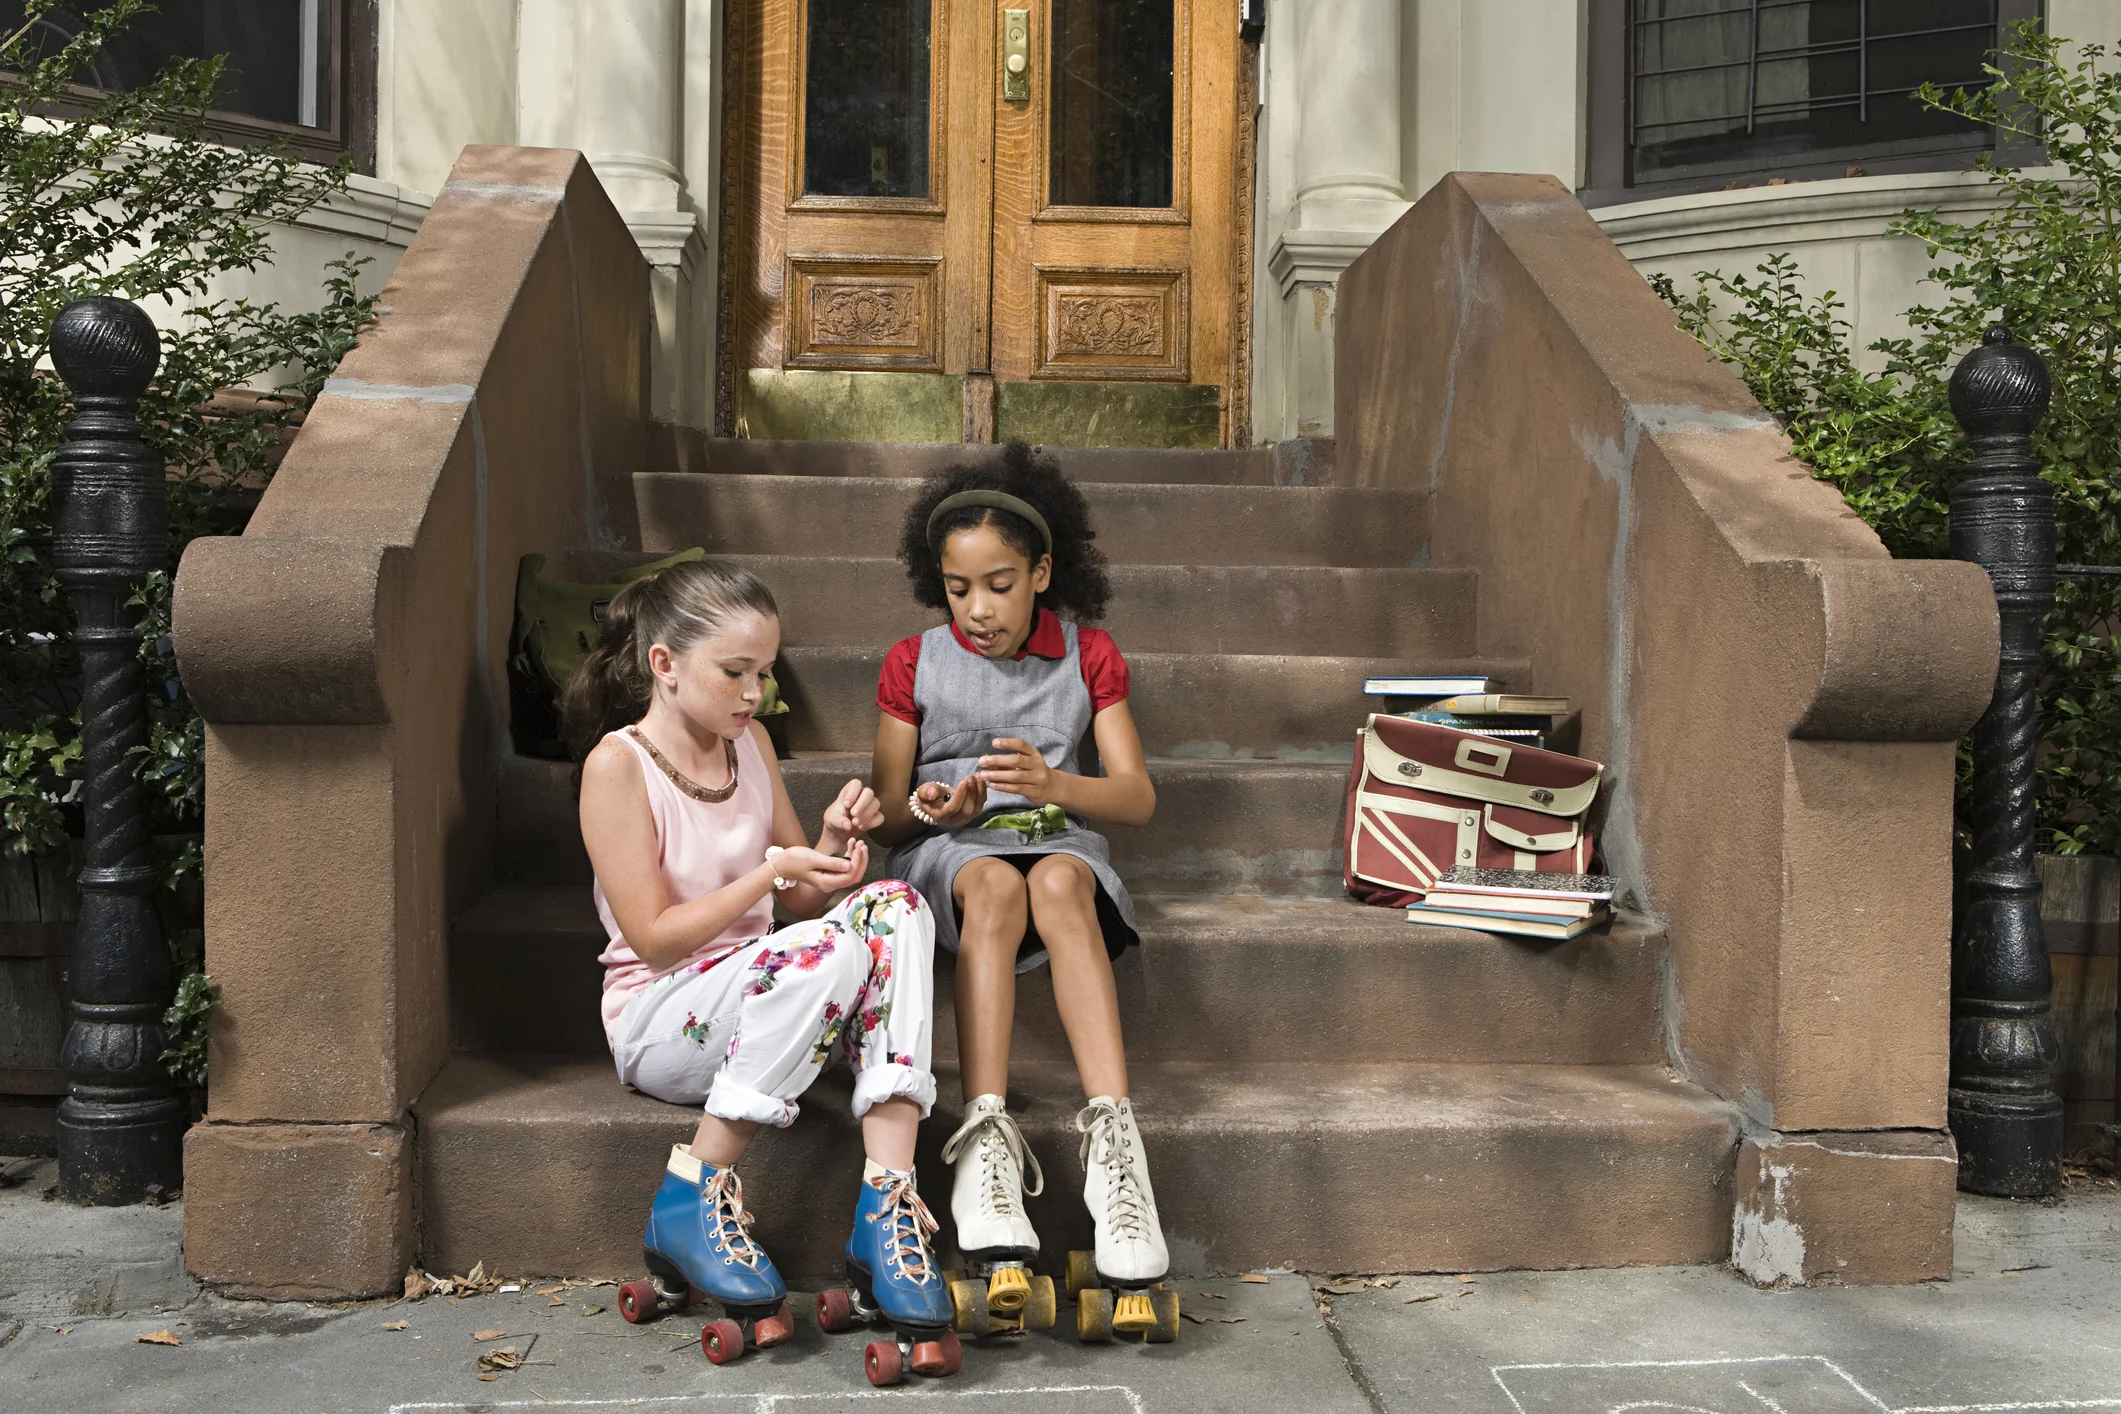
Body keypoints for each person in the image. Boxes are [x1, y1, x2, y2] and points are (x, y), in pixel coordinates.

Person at [566, 558, 951, 1354]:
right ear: (663, 665)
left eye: (764, 674)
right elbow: (653, 936)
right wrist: (771, 873)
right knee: (817, 953)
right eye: (734, 672)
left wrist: (832, 846)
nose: (753, 693)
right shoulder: (617, 766)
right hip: (663, 1015)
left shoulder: (754, 747)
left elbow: (800, 904)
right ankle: (693, 1189)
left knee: (896, 904)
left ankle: (886, 1203)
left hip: (770, 990)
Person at [868, 443, 1169, 1304]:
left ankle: (1115, 1143)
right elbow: (891, 811)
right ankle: (987, 1133)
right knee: (997, 883)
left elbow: (1136, 799)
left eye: (998, 584)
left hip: (1056, 834)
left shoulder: (1089, 655)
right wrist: (937, 810)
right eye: (958, 589)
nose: (977, 609)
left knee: (1059, 881)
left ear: (1041, 572)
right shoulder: (912, 661)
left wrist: (1055, 785)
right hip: (954, 854)